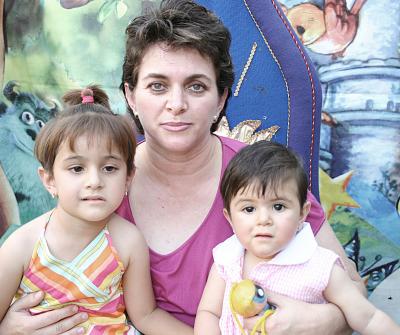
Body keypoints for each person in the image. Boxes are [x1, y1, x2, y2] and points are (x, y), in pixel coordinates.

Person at [0, 1, 364, 334]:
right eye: (157, 86)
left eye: (196, 86)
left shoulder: (264, 175)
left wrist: (326, 320)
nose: (176, 104)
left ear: (221, 98)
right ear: (131, 96)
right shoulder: (100, 184)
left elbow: (352, 287)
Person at [0, 86, 192, 334]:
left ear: (128, 178)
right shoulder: (23, 246)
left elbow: (146, 315)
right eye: (77, 169)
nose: (94, 181)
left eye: (109, 168)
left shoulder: (127, 240)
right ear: (49, 180)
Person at [194, 140, 400, 335]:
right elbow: (209, 313)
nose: (263, 219)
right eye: (249, 209)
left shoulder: (321, 267)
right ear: (229, 218)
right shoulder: (227, 260)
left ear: (302, 214)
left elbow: (368, 318)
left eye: (278, 207)